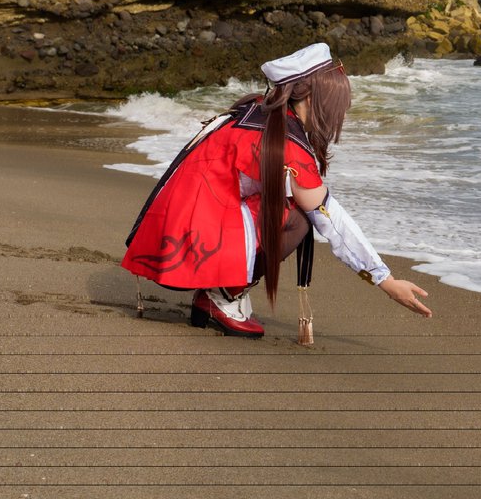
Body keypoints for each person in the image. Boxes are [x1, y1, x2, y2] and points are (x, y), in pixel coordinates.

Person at [121, 42, 432, 340]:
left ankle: (216, 292)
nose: (342, 108)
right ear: (312, 96)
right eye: (336, 97)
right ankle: (223, 294)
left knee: (288, 204)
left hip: (173, 218)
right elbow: (330, 218)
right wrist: (386, 281)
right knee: (298, 218)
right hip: (193, 226)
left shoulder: (258, 111)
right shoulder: (286, 144)